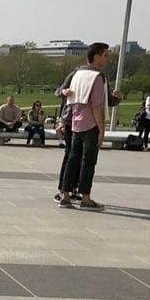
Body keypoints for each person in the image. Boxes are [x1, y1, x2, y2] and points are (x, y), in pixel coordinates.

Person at [58, 42, 121, 211]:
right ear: (97, 56)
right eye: (105, 55)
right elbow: (97, 106)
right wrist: (101, 129)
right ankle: (85, 197)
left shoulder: (78, 73)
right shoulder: (98, 77)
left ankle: (65, 195)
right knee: (88, 163)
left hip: (76, 123)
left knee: (72, 159)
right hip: (90, 125)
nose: (107, 58)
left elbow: (66, 94)